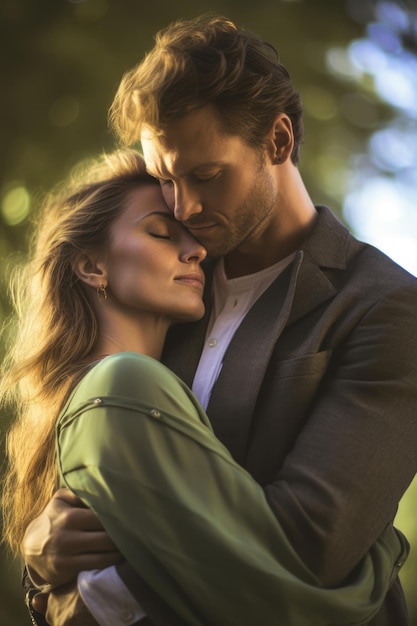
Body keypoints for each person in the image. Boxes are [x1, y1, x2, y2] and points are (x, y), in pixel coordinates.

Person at [16, 13, 417, 626]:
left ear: (278, 142)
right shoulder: (165, 297)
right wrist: (39, 555)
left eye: (206, 176)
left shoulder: (385, 305)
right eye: (164, 179)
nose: (185, 208)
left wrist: (96, 594)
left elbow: (313, 549)